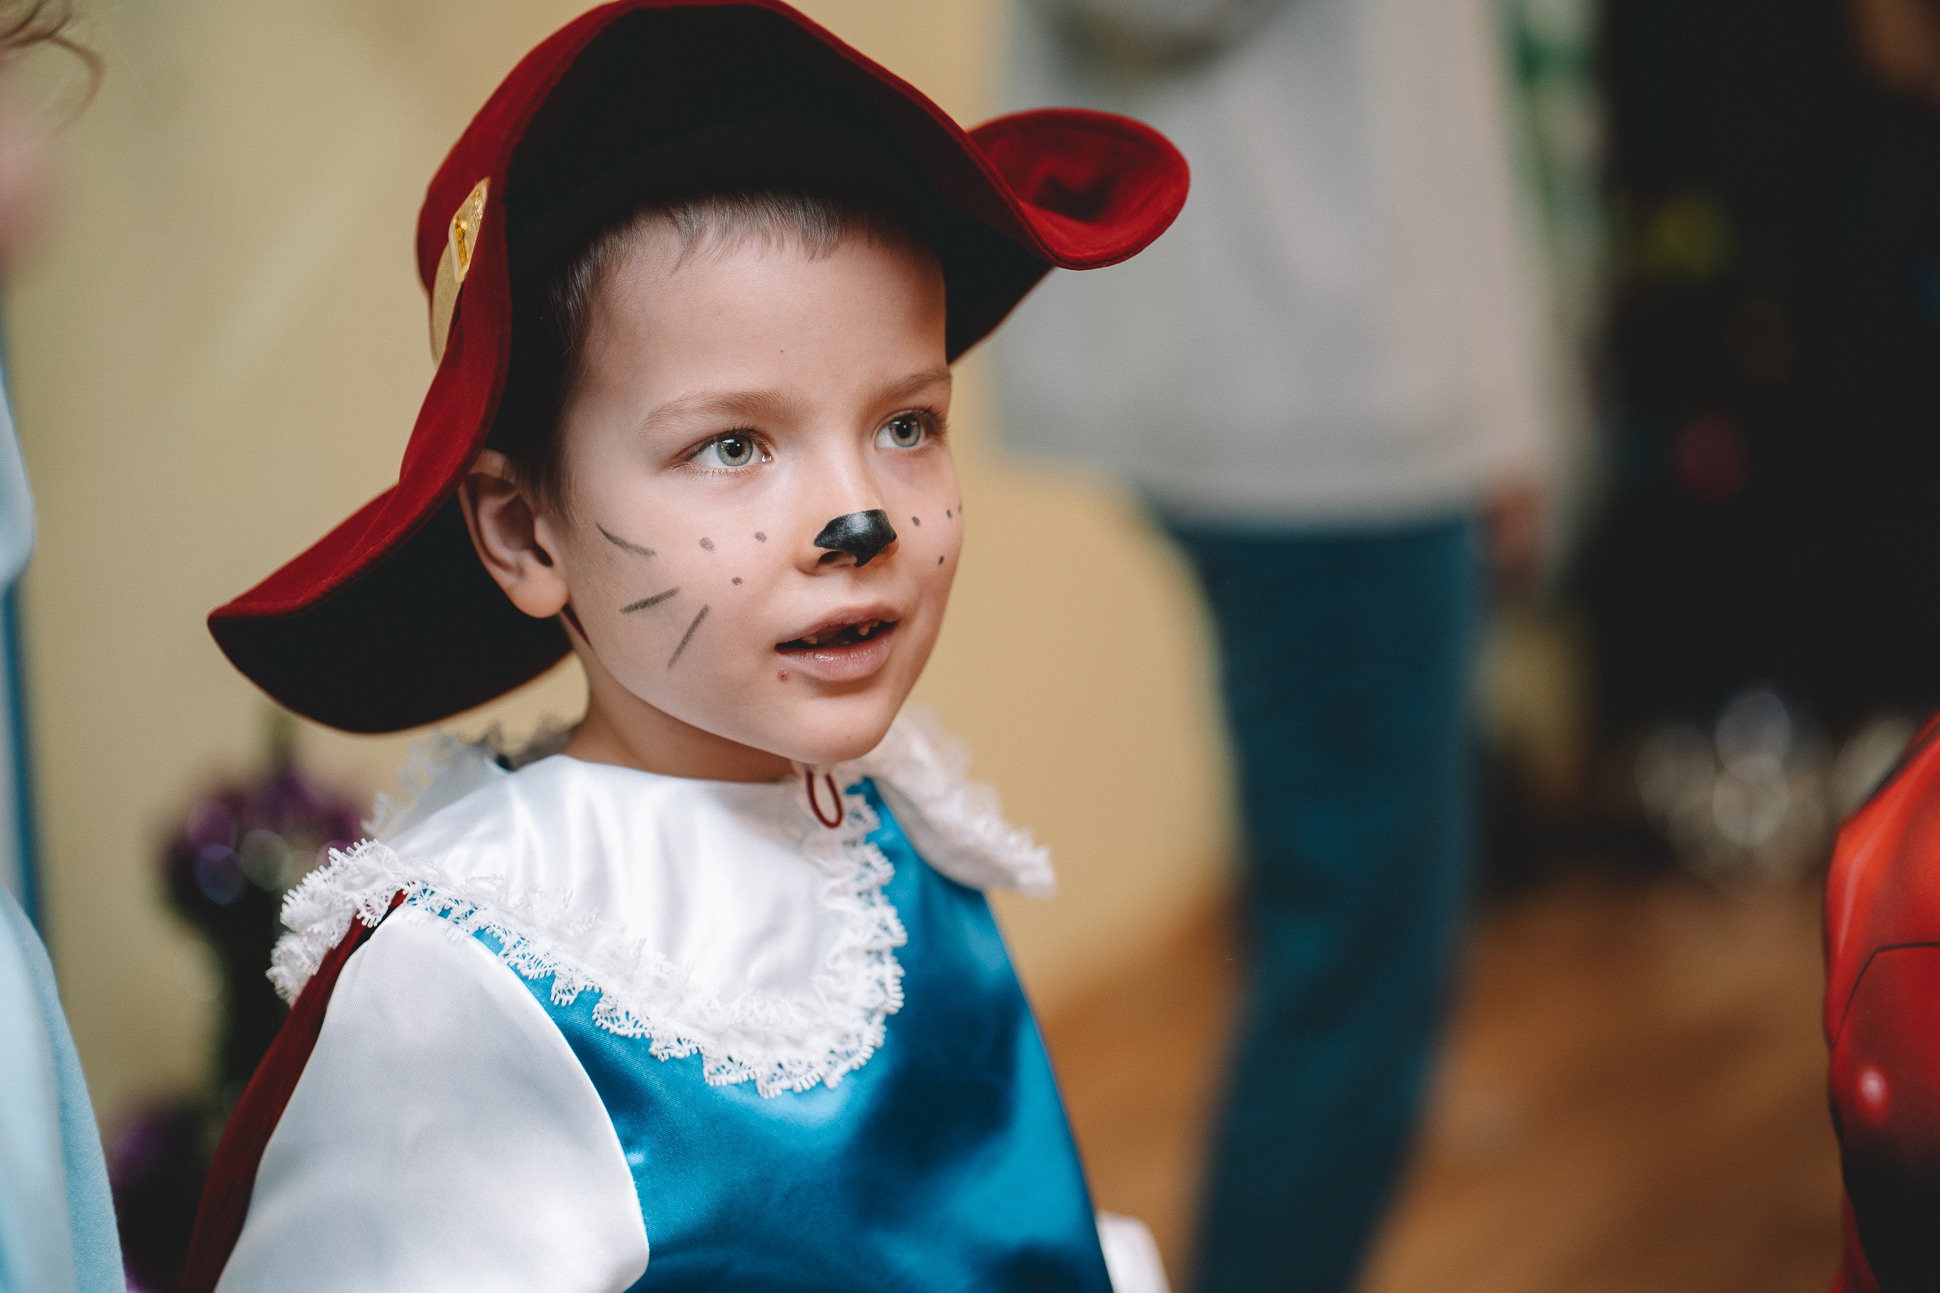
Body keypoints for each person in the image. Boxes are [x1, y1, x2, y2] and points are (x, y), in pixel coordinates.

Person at [178, 3, 1187, 1289]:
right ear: (522, 528)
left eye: (906, 423)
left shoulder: (898, 838)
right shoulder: (474, 988)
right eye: (731, 446)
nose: (857, 516)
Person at [996, 2, 1554, 1289]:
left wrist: (1496, 396)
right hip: (1305, 387)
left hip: (1370, 384)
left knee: (1358, 961)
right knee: (1353, 972)